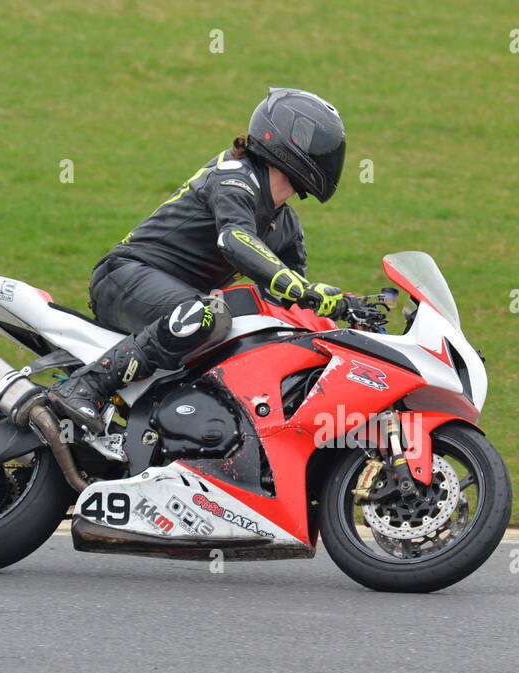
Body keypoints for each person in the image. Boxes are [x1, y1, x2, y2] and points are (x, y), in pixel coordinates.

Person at [47, 88, 350, 434]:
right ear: (283, 134)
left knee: (257, 337)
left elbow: (286, 300)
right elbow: (235, 240)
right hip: (125, 276)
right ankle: (84, 386)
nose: (326, 155)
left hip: (175, 304)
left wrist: (341, 307)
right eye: (315, 140)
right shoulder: (234, 176)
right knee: (209, 315)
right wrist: (299, 287)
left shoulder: (286, 224)